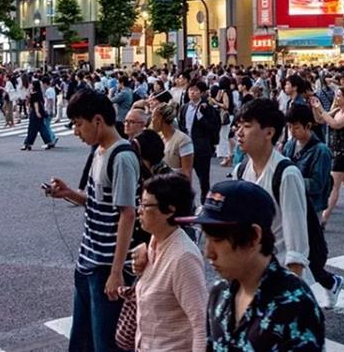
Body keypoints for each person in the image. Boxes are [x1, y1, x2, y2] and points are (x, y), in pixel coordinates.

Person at [43, 90, 140, 352]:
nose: (76, 131)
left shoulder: (122, 157)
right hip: (87, 261)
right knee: (82, 339)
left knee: (104, 343)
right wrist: (70, 194)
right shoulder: (99, 151)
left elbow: (127, 214)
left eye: (78, 123)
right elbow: (99, 201)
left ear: (97, 120)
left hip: (105, 266)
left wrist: (117, 272)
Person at [180, 179, 324, 351]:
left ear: (254, 236)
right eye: (206, 238)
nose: (208, 252)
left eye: (217, 240)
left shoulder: (293, 304)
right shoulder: (220, 292)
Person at [230, 99, 313, 281]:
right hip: (251, 273)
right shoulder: (241, 171)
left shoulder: (286, 174)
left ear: (269, 132)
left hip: (280, 275)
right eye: (238, 126)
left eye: (246, 126)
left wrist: (292, 290)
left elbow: (296, 241)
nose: (239, 133)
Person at [131, 172, 207, 352]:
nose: (139, 210)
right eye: (140, 203)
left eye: (146, 205)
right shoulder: (155, 241)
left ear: (170, 210)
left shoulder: (183, 257)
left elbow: (201, 324)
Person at [279, 103, 344, 302]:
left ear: (308, 126)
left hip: (311, 207)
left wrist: (291, 179)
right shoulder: (290, 144)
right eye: (290, 127)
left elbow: (318, 184)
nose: (292, 131)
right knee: (294, 252)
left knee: (307, 255)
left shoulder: (321, 151)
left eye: (296, 127)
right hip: (290, 204)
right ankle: (329, 283)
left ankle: (329, 283)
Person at [311, 86, 344, 227]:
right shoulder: (337, 110)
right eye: (337, 95)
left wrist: (322, 110)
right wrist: (316, 107)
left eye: (340, 95)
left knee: (333, 185)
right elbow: (320, 120)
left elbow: (335, 124)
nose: (337, 97)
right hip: (336, 152)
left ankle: (323, 219)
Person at [179, 81, 220, 204]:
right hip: (186, 147)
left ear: (201, 93)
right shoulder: (184, 107)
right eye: (190, 89)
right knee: (185, 177)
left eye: (196, 90)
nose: (192, 92)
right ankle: (187, 203)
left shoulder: (207, 108)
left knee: (203, 180)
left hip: (201, 148)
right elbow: (181, 124)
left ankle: (204, 203)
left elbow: (212, 127)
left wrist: (201, 116)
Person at [151, 103, 193, 181]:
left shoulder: (183, 140)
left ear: (159, 119)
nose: (152, 121)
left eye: (153, 117)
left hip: (174, 185)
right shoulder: (158, 137)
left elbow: (187, 171)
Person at [22, 80, 57, 151]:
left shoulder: (34, 94)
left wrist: (37, 112)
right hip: (39, 112)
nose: (30, 85)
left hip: (35, 112)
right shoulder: (39, 93)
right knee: (42, 127)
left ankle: (27, 143)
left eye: (31, 84)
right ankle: (48, 142)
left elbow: (35, 104)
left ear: (34, 85)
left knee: (32, 128)